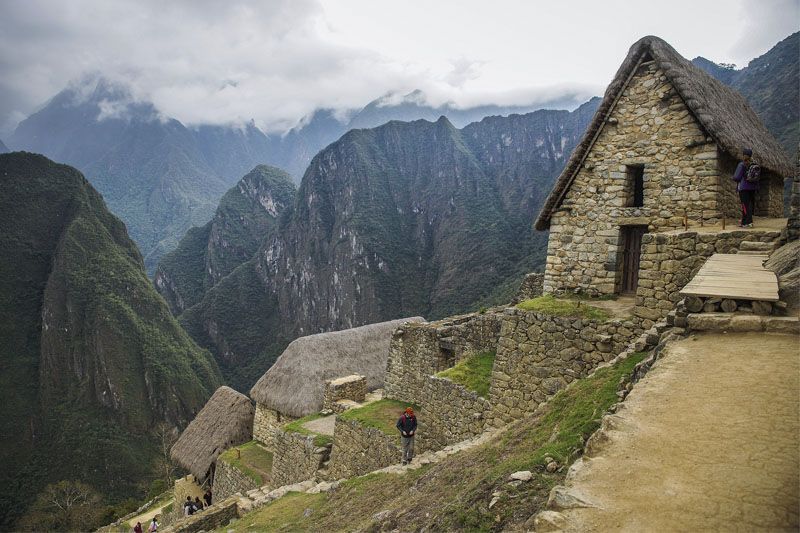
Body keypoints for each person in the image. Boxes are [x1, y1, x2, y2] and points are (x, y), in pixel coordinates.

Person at [732, 147, 758, 227]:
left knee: (745, 205)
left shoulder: (742, 164)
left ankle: (748, 222)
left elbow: (736, 177)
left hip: (743, 188)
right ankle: (744, 222)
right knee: (750, 204)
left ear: (743, 155)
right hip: (753, 188)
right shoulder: (754, 164)